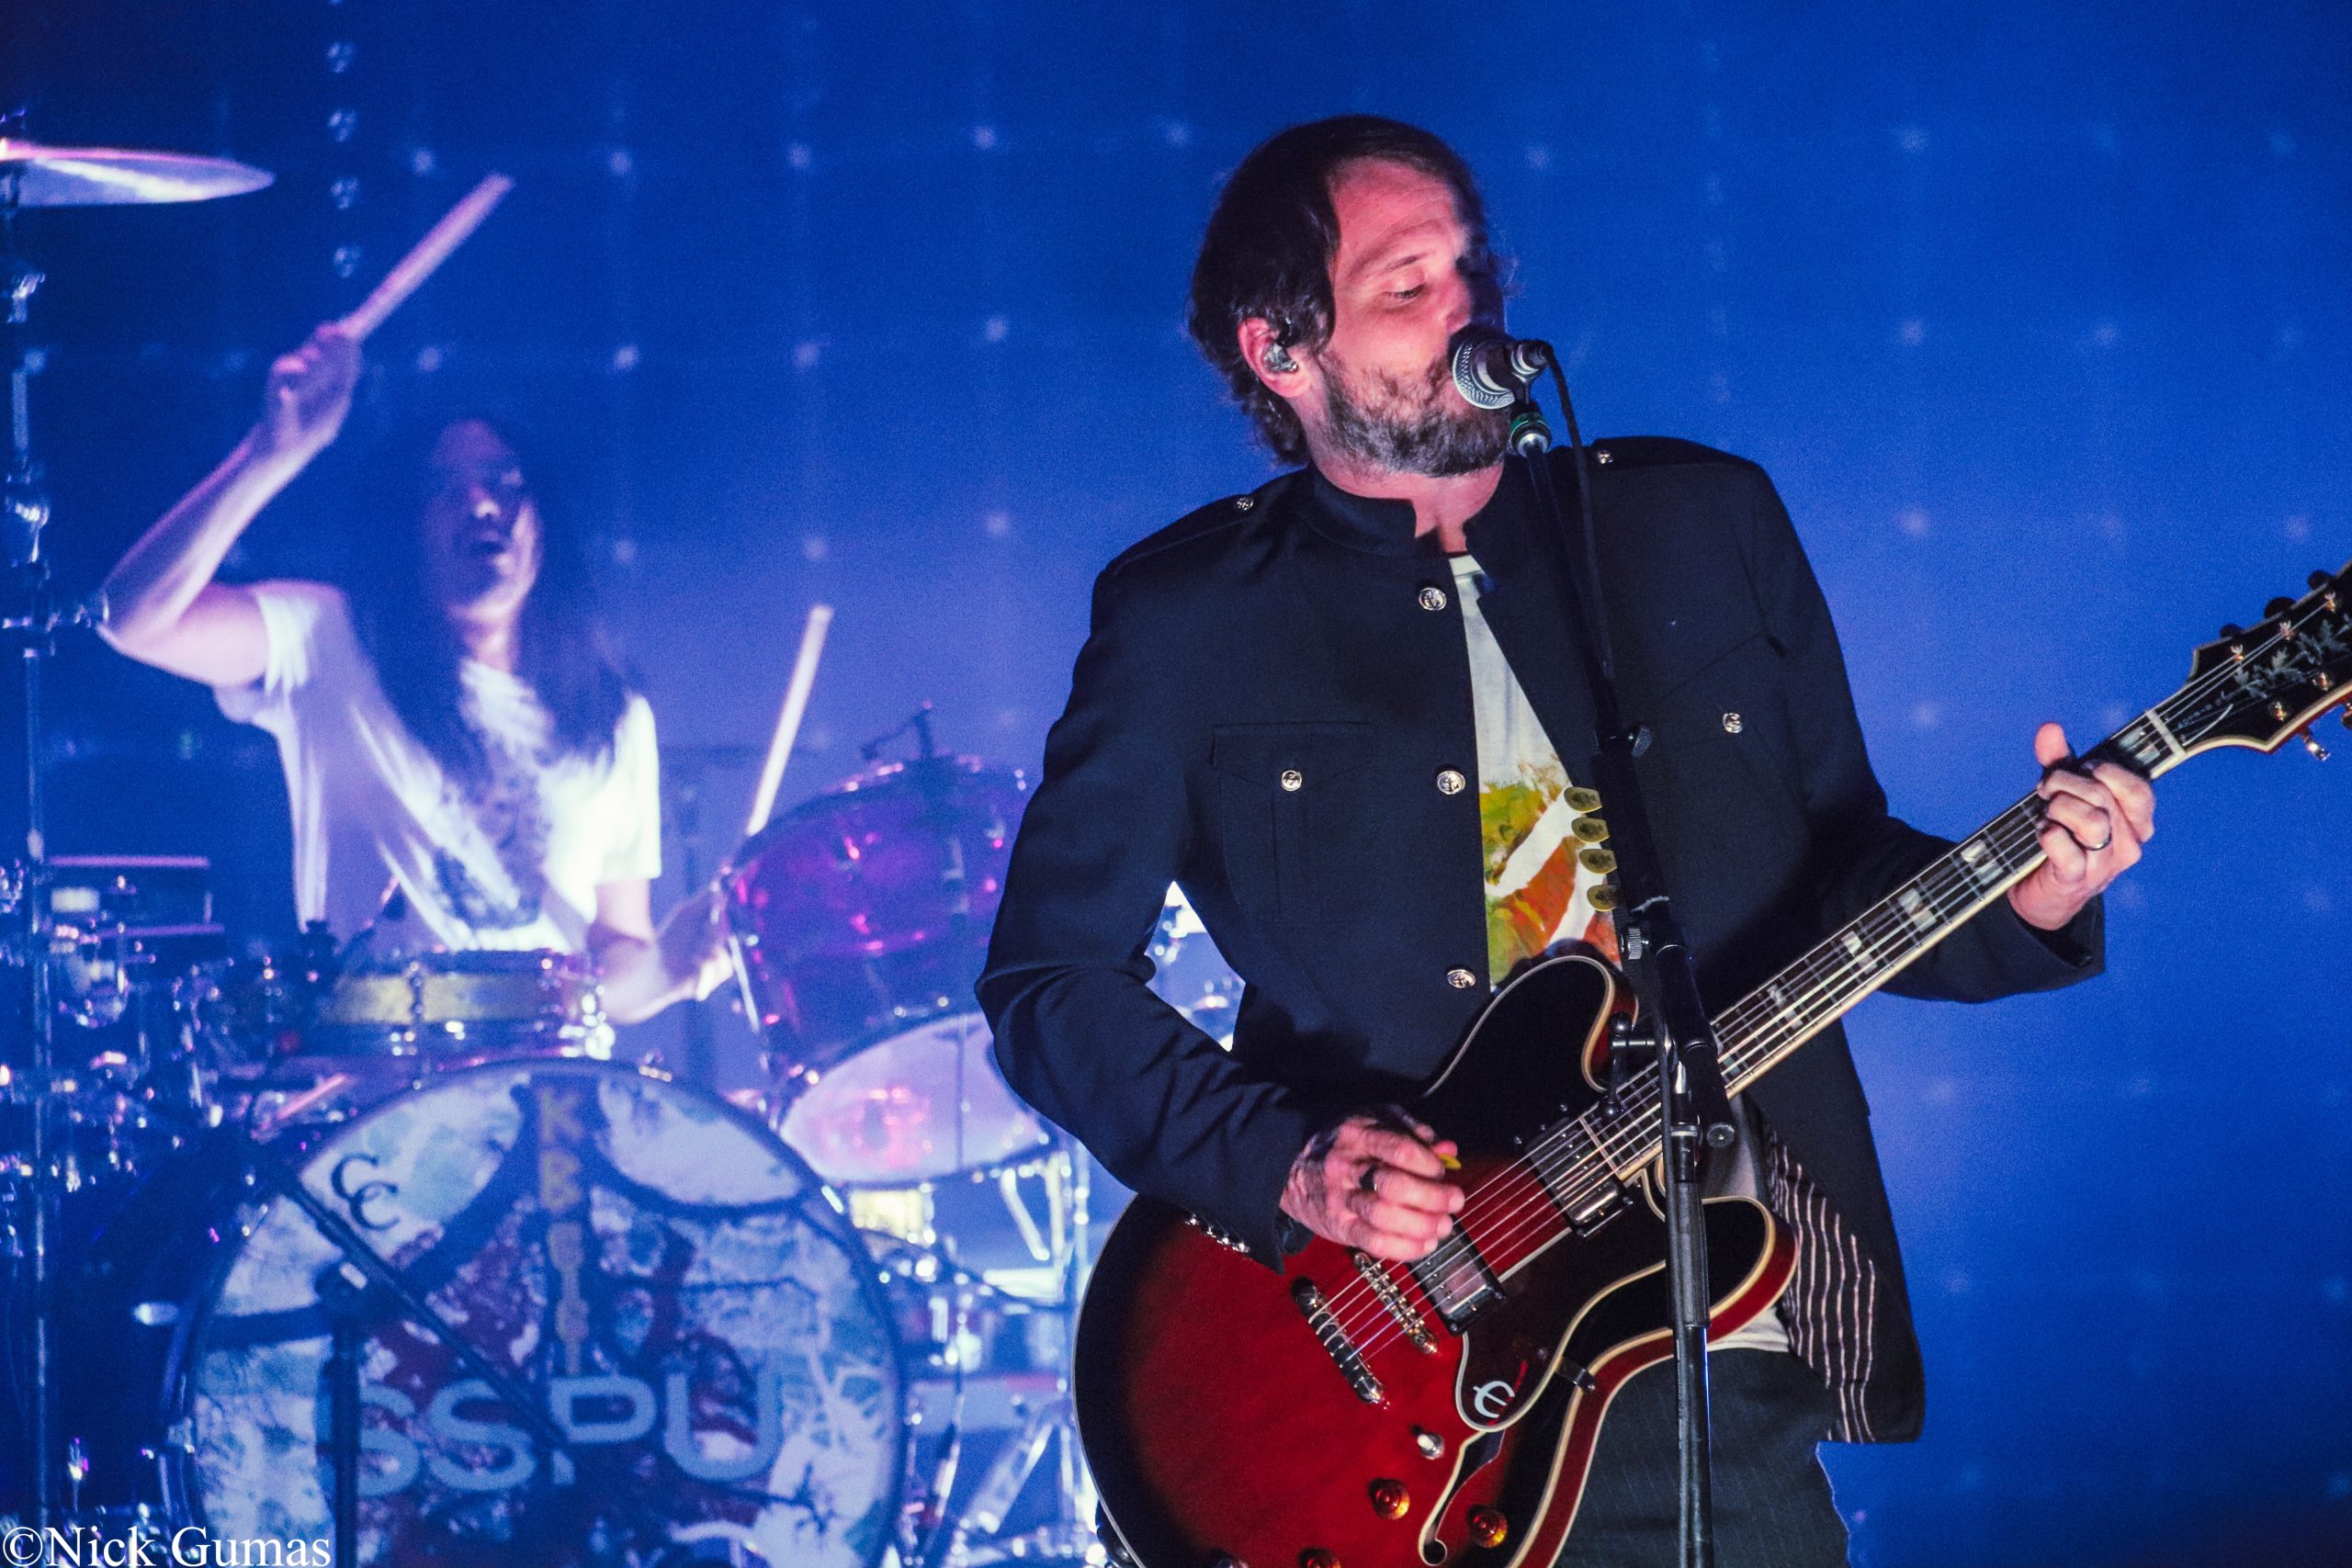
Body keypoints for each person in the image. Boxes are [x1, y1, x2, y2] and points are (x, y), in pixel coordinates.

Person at [977, 117, 2154, 1562]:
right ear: (1283, 350)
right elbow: (1049, 986)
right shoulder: (1187, 618)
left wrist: (2033, 894)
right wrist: (1286, 1162)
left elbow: (1839, 864)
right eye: (1405, 284)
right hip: (1387, 1337)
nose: (1464, 304)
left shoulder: (1699, 520)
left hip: (1709, 1308)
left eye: (1469, 265)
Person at [98, 323, 729, 1024]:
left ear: (544, 519)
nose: (483, 502)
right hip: (379, 1091)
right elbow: (132, 617)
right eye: (447, 487)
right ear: (409, 526)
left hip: (547, 1096)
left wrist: (672, 966)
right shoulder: (328, 639)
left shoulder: (613, 713)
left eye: (505, 480)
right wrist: (269, 457)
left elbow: (615, 965)